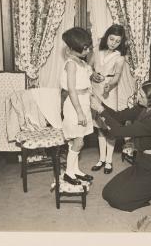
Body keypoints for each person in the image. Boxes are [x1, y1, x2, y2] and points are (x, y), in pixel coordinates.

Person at [90, 80, 151, 211]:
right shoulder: (143, 108)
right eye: (139, 92)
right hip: (141, 163)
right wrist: (100, 103)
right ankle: (149, 189)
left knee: (119, 200)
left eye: (142, 96)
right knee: (108, 192)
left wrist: (100, 110)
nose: (138, 97)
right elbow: (117, 116)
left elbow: (117, 132)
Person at [60, 27, 98, 185]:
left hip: (84, 102)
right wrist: (80, 113)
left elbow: (87, 76)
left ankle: (75, 170)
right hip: (75, 105)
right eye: (85, 48)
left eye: (89, 47)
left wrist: (94, 75)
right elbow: (72, 90)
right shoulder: (71, 65)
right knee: (79, 141)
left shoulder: (81, 62)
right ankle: (69, 172)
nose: (88, 50)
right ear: (73, 49)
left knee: (77, 140)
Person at [89, 24, 128, 174]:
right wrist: (92, 75)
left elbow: (117, 76)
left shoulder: (120, 57)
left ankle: (109, 161)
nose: (113, 43)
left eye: (117, 41)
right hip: (95, 89)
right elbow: (88, 67)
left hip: (109, 91)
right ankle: (101, 159)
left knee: (109, 126)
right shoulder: (97, 51)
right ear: (107, 37)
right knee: (99, 125)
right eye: (111, 39)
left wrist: (109, 86)